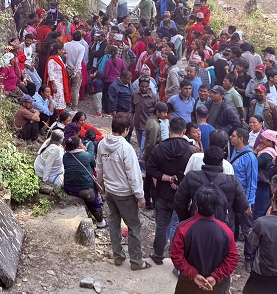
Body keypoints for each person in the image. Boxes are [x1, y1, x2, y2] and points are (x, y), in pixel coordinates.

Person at [168, 187, 239, 294]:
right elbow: (232, 258)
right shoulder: (226, 231)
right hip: (214, 286)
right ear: (217, 206)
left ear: (196, 204)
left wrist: (194, 275)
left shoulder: (183, 228)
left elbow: (176, 256)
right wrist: (215, 277)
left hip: (189, 284)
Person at [97, 113, 148, 269]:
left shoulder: (102, 144)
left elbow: (99, 167)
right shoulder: (126, 148)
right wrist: (140, 196)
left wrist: (101, 184)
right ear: (126, 129)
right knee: (133, 227)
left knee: (114, 223)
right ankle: (136, 261)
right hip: (125, 193)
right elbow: (133, 175)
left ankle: (118, 256)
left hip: (110, 191)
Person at [146, 116, 194, 263]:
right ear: (184, 131)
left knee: (161, 225)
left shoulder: (159, 148)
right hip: (183, 196)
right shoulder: (192, 150)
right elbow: (195, 174)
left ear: (168, 129)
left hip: (163, 193)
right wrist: (180, 183)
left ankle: (158, 255)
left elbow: (150, 169)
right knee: (179, 226)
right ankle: (176, 256)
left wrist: (167, 178)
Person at [174, 140, 249, 231]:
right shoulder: (232, 181)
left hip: (196, 226)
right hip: (223, 229)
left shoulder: (191, 177)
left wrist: (187, 219)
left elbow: (179, 202)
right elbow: (243, 206)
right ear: (222, 162)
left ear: (204, 160)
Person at [62, 136, 106, 227]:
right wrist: (85, 151)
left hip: (68, 187)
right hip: (84, 189)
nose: (82, 144)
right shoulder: (86, 155)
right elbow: (94, 164)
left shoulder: (65, 156)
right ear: (78, 146)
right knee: (94, 201)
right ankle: (101, 222)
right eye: (81, 143)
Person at [64, 31, 87, 109]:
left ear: (72, 36)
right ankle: (74, 106)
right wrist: (75, 72)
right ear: (80, 38)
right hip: (76, 71)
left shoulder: (66, 45)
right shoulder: (81, 48)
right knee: (75, 90)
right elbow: (78, 62)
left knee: (67, 87)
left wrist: (67, 67)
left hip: (67, 69)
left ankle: (67, 103)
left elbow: (64, 57)